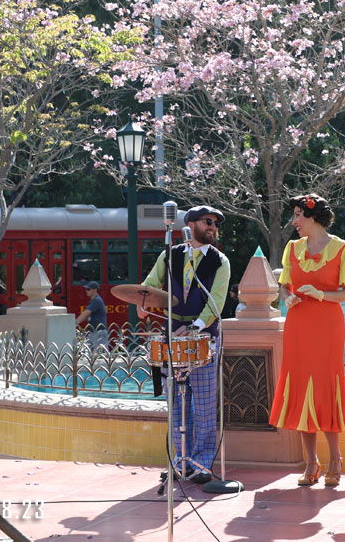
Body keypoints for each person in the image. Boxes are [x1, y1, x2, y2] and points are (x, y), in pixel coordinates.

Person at [269, 195, 345, 487]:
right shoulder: (292, 248)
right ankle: (311, 463)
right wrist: (288, 298)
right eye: (295, 215)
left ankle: (335, 459)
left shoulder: (343, 249)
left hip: (327, 324)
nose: (294, 221)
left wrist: (321, 294)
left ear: (314, 217)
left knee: (325, 385)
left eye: (299, 215)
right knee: (299, 386)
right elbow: (285, 287)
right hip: (299, 324)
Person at [139, 206, 229, 484]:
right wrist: (142, 302)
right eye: (208, 222)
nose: (213, 227)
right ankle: (181, 460)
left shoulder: (220, 261)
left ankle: (202, 463)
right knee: (176, 403)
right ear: (190, 225)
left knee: (202, 405)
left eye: (216, 223)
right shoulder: (169, 255)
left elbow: (217, 302)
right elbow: (150, 285)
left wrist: (193, 328)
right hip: (170, 338)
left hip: (203, 338)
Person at [75, 281, 107, 351]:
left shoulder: (96, 300)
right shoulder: (94, 300)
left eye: (88, 289)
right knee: (88, 351)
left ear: (95, 290)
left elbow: (86, 314)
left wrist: (74, 323)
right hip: (94, 332)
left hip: (98, 332)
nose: (86, 291)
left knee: (101, 354)